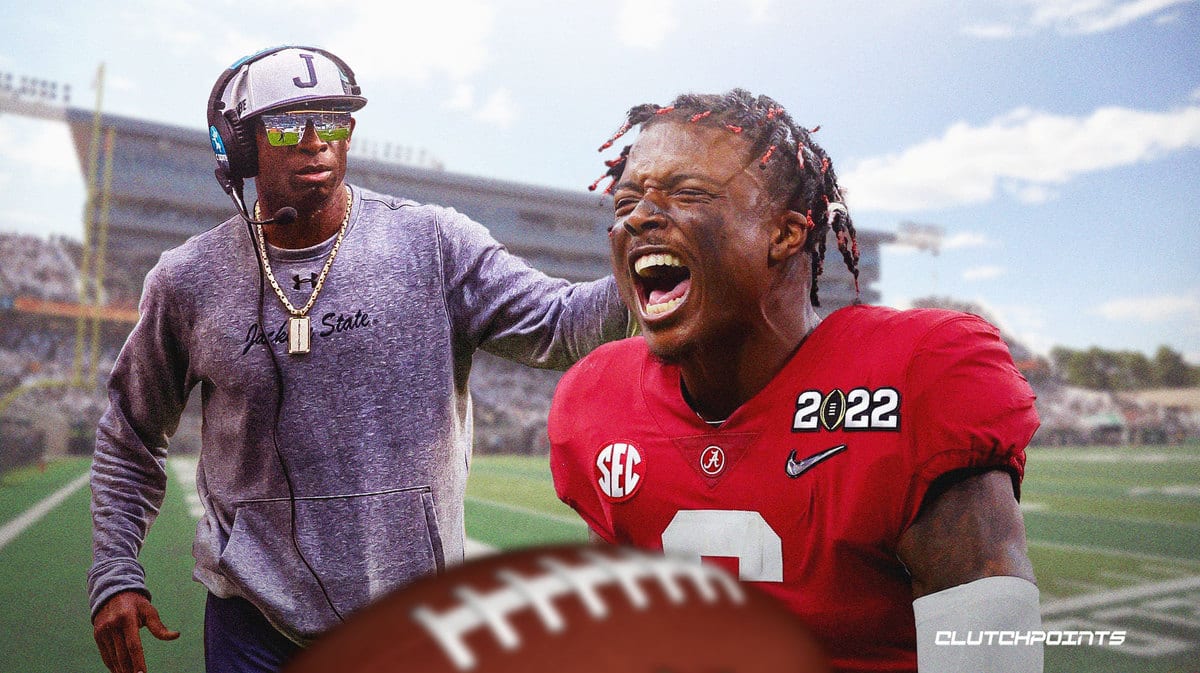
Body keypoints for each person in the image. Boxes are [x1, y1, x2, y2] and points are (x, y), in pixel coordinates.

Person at [88, 46, 632, 673]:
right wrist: (114, 569)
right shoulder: (189, 280)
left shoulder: (433, 244)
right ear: (239, 148)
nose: (317, 142)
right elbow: (130, 433)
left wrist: (652, 252)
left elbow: (563, 325)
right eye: (291, 126)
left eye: (335, 121)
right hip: (254, 628)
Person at [549, 90, 1043, 673]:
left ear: (784, 234)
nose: (637, 217)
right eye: (625, 202)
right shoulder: (596, 394)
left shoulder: (920, 371)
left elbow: (988, 658)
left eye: (687, 193)